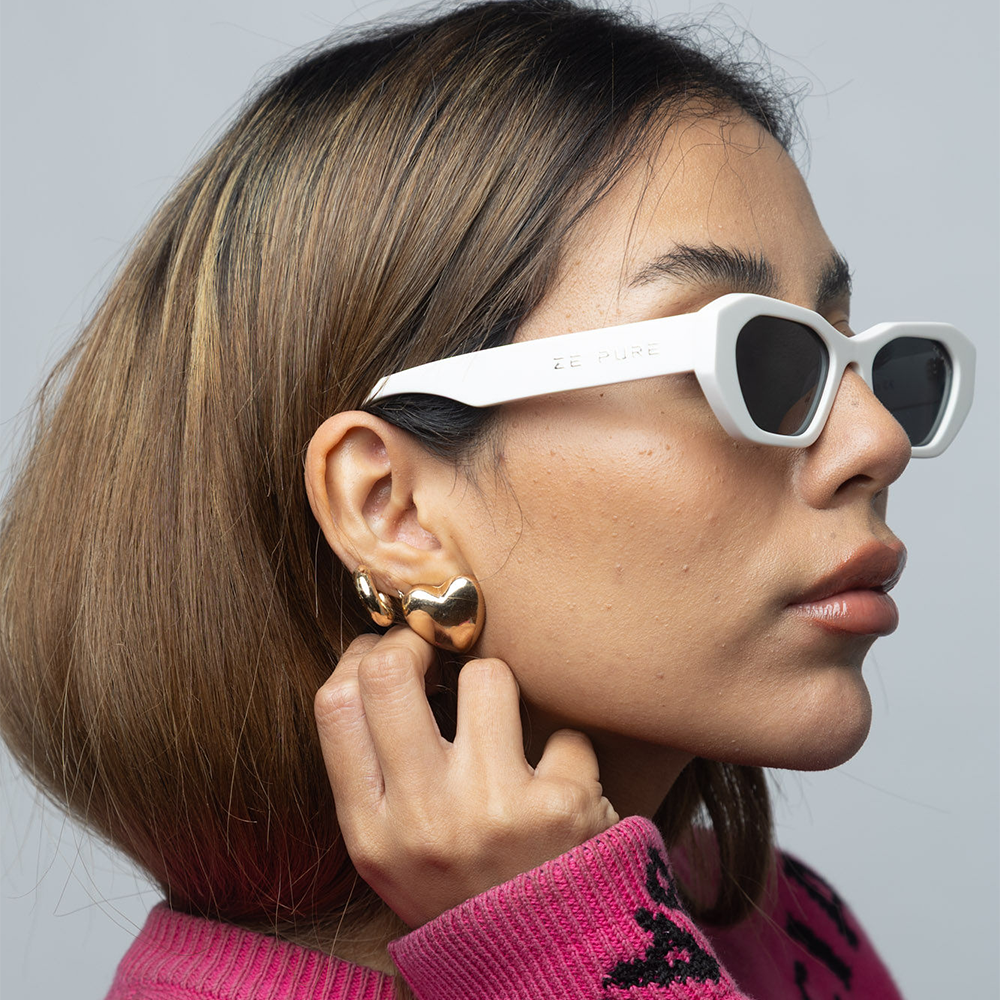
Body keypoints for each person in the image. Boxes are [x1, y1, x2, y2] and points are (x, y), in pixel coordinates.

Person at [0, 1, 975, 998]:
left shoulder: (771, 924)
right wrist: (569, 946)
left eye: (850, 355)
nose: (876, 439)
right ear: (395, 512)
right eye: (753, 358)